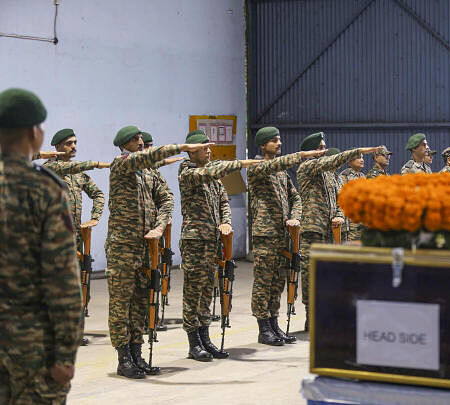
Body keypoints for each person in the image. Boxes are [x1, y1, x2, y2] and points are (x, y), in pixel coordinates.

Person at [0, 88, 82, 403]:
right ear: (34, 133)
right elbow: (62, 281)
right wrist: (65, 353)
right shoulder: (44, 190)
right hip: (31, 348)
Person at [106, 125, 205, 379]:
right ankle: (123, 357)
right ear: (123, 145)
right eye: (134, 139)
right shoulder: (120, 165)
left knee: (140, 301)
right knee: (121, 303)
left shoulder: (149, 175)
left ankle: (137, 354)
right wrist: (183, 148)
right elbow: (147, 157)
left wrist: (160, 225)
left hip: (146, 246)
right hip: (123, 247)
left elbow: (167, 199)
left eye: (141, 138)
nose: (140, 142)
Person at [179, 129, 261, 359]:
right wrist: (239, 164)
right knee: (193, 292)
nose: (208, 150)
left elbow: (224, 200)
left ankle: (205, 338)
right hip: (195, 240)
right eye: (203, 148)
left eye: (208, 147)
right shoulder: (187, 171)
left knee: (208, 291)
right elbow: (205, 175)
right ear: (191, 152)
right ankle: (193, 341)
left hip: (213, 240)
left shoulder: (213, 173)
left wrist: (225, 222)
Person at [296, 131, 383, 331]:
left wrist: (339, 215)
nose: (324, 151)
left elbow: (338, 200)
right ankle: (312, 317)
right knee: (311, 274)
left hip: (329, 229)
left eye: (324, 147)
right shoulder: (307, 167)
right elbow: (329, 162)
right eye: (319, 148)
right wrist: (358, 151)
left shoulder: (329, 176)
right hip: (313, 229)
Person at [248, 126, 325, 346]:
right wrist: (302, 155)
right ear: (263, 145)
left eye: (279, 140)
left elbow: (296, 198)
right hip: (265, 234)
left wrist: (295, 217)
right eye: (273, 141)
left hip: (283, 234)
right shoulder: (257, 167)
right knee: (263, 282)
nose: (279, 143)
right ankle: (263, 328)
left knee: (277, 282)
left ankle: (274, 323)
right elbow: (275, 164)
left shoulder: (282, 174)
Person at [43, 128, 108, 345]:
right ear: (57, 147)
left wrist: (94, 218)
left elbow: (98, 194)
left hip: (76, 241)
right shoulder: (47, 172)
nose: (74, 147)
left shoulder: (77, 174)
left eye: (75, 143)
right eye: (69, 143)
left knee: (79, 287)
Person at [339, 152, 366, 241]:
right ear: (350, 161)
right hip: (351, 222)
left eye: (362, 157)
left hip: (362, 221)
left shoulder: (363, 176)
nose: (362, 160)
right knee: (351, 249)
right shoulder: (344, 176)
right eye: (358, 158)